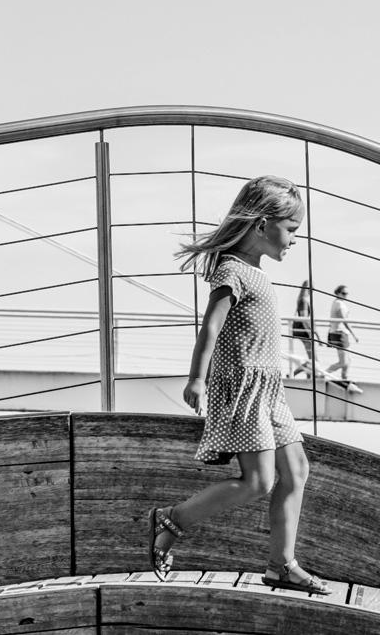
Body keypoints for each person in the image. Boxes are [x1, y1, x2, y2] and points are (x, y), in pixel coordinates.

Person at [147, 175, 331, 595]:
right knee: (258, 482)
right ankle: (172, 519)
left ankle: (281, 565)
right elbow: (209, 327)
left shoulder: (255, 271)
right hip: (244, 390)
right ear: (263, 224)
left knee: (296, 470)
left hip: (270, 391)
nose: (294, 241)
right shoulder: (233, 270)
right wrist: (197, 378)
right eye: (292, 230)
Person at [326, 285, 359, 381]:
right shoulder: (338, 304)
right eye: (343, 293)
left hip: (341, 333)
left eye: (347, 294)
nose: (346, 296)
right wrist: (354, 335)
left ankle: (344, 378)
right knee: (343, 362)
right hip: (339, 334)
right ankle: (323, 373)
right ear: (338, 293)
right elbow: (344, 320)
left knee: (348, 361)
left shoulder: (338, 303)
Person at [291, 280, 317, 378]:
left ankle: (307, 375)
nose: (312, 291)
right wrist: (311, 333)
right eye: (312, 289)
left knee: (312, 359)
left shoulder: (302, 299)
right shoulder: (304, 300)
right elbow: (304, 318)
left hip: (304, 331)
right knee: (314, 360)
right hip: (305, 331)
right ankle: (294, 374)